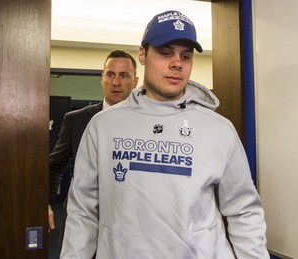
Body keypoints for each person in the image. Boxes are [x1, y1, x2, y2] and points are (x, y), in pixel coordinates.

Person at [60, 10, 270, 259]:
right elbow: (82, 211)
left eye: (186, 56)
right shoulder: (103, 126)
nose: (177, 63)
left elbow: (244, 211)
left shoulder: (219, 130)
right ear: (142, 55)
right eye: (165, 52)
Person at [48, 50, 138, 240]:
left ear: (135, 82)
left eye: (124, 75)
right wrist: (45, 203)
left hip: (129, 223)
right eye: (110, 74)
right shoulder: (76, 120)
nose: (116, 82)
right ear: (102, 78)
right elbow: (55, 165)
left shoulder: (147, 124)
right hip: (82, 220)